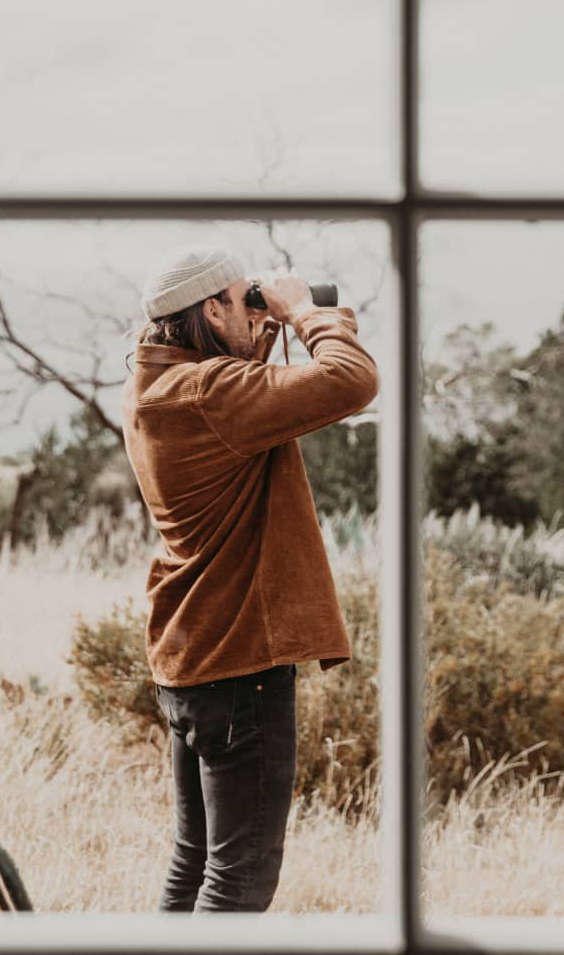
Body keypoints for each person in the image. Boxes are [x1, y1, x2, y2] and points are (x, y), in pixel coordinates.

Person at [121, 243, 379, 913]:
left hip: (189, 657)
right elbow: (351, 380)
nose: (255, 308)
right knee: (240, 882)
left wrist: (255, 317)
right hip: (240, 665)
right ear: (208, 309)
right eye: (241, 299)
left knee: (195, 864)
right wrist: (302, 313)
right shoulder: (210, 395)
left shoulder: (158, 386)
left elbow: (239, 387)